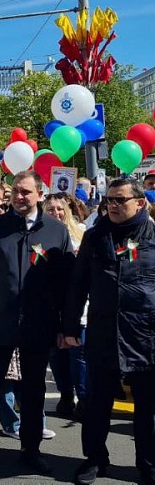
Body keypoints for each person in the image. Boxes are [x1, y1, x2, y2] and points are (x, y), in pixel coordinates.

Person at [0, 170, 74, 476]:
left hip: (40, 324)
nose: (19, 197)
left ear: (39, 193)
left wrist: (66, 326)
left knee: (33, 390)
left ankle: (31, 449)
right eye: (15, 192)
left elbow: (65, 285)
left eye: (25, 192)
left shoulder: (56, 231)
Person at [65, 178, 155, 485]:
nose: (111, 206)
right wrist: (70, 326)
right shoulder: (95, 236)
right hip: (103, 331)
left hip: (147, 335)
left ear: (140, 203)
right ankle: (94, 460)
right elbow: (77, 286)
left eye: (119, 200)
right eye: (109, 200)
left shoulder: (154, 236)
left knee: (148, 407)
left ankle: (148, 464)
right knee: (96, 403)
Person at [44, 193, 86, 420]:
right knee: (56, 354)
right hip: (51, 304)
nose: (56, 213)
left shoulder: (80, 233)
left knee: (78, 353)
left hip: (78, 303)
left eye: (59, 209)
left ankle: (83, 397)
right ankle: (66, 394)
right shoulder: (41, 236)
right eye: (50, 210)